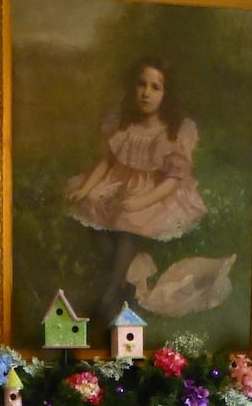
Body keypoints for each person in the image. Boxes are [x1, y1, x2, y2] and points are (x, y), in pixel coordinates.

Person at [66, 57, 210, 323]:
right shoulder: (121, 121)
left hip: (156, 189)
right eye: (141, 85)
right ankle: (127, 283)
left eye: (156, 87)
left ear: (167, 94)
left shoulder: (174, 131)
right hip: (118, 181)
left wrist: (142, 201)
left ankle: (109, 294)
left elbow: (174, 179)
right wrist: (85, 189)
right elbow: (105, 162)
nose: (146, 93)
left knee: (127, 220)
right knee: (92, 208)